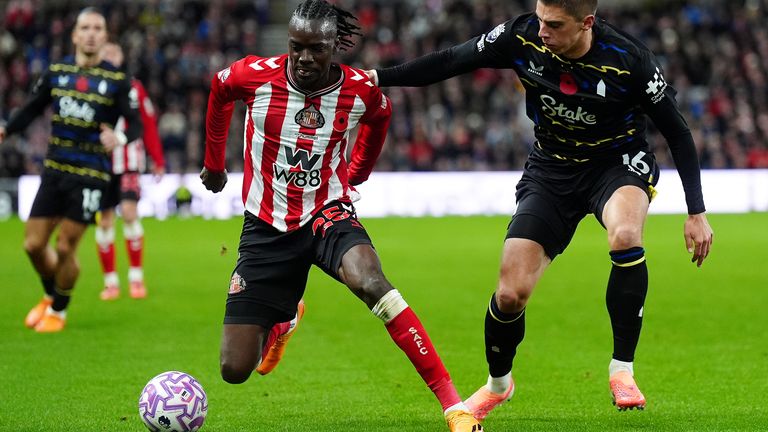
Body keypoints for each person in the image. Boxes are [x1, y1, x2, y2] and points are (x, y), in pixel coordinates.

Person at [367, 0, 714, 418]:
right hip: (551, 168)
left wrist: (696, 211)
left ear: (587, 23)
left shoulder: (629, 60)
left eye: (554, 24)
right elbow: (450, 60)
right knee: (511, 294)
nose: (543, 30)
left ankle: (622, 369)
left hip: (617, 164)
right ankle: (499, 384)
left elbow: (677, 130)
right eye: (539, 18)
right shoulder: (522, 35)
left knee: (624, 234)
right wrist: (377, 78)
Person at [199, 1, 483, 431]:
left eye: (317, 48)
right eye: (297, 47)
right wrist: (214, 163)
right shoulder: (253, 76)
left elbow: (381, 116)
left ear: (335, 45)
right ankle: (285, 319)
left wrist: (357, 174)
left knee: (373, 283)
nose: (306, 58)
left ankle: (454, 405)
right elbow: (219, 93)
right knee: (234, 368)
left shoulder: (357, 89)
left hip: (327, 213)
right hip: (265, 225)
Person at [0, 8, 142, 332]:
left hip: (91, 175)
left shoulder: (117, 80)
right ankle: (51, 297)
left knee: (65, 246)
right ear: (75, 35)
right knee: (33, 245)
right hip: (54, 169)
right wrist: (7, 129)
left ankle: (59, 312)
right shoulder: (57, 72)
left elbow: (136, 123)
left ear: (105, 37)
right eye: (85, 28)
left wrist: (118, 136)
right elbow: (32, 108)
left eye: (98, 28)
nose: (91, 33)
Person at [95, 42, 165, 301]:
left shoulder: (134, 87)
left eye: (115, 52)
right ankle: (111, 282)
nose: (111, 56)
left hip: (129, 161)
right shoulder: (91, 85)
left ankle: (136, 278)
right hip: (100, 164)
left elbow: (147, 122)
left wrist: (157, 158)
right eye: (107, 52)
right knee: (103, 220)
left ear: (122, 57)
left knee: (129, 212)